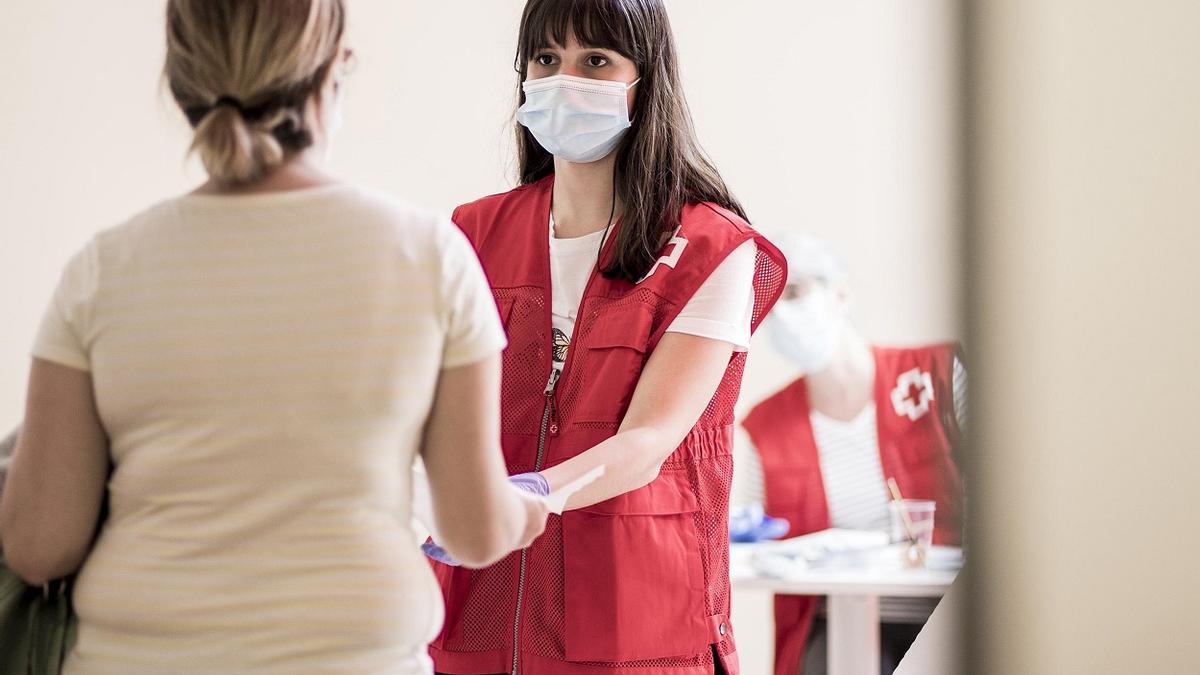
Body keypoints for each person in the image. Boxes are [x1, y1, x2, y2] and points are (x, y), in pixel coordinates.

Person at [0, 1, 548, 671]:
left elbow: (38, 542)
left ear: (181, 80)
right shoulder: (429, 254)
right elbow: (474, 527)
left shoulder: (104, 268)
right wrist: (523, 513)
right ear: (332, 72)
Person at [423, 1, 786, 673]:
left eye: (595, 61)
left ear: (645, 82)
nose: (565, 81)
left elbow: (648, 441)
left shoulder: (709, 246)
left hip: (637, 627)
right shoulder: (472, 233)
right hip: (479, 614)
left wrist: (530, 492)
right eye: (545, 60)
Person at [737, 233, 966, 675]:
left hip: (941, 610)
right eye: (769, 302)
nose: (783, 313)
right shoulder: (766, 425)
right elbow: (753, 545)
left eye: (797, 291)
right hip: (830, 623)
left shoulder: (937, 377)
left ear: (840, 293)